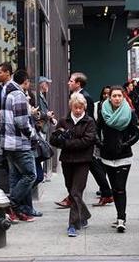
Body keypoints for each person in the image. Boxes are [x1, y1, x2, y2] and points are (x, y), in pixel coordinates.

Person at [57, 73, 112, 208]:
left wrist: (89, 139)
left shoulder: (85, 97)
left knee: (93, 165)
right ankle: (105, 193)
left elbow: (89, 120)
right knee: (93, 166)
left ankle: (103, 193)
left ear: (78, 83)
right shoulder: (76, 97)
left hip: (85, 141)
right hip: (81, 141)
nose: (68, 83)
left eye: (71, 81)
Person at [50, 93, 96, 237]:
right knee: (71, 191)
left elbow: (87, 141)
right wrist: (60, 137)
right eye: (75, 107)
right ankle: (85, 214)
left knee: (76, 192)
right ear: (71, 107)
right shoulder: (64, 121)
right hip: (67, 161)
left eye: (80, 107)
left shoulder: (89, 122)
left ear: (84, 107)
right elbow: (53, 140)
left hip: (83, 161)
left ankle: (73, 224)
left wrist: (66, 143)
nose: (78, 110)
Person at [98, 86, 139, 233]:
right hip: (107, 156)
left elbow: (137, 133)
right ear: (109, 97)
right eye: (114, 96)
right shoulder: (103, 111)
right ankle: (119, 216)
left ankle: (122, 219)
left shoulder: (129, 112)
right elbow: (97, 130)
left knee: (120, 187)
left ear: (123, 97)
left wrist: (125, 144)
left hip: (124, 156)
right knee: (114, 187)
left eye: (119, 96)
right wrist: (101, 144)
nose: (116, 98)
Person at [1, 70, 37, 223]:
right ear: (26, 82)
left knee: (15, 177)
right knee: (30, 175)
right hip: (19, 143)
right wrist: (32, 135)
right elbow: (22, 122)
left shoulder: (7, 93)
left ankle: (16, 211)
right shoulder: (18, 95)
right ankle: (11, 204)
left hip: (8, 143)